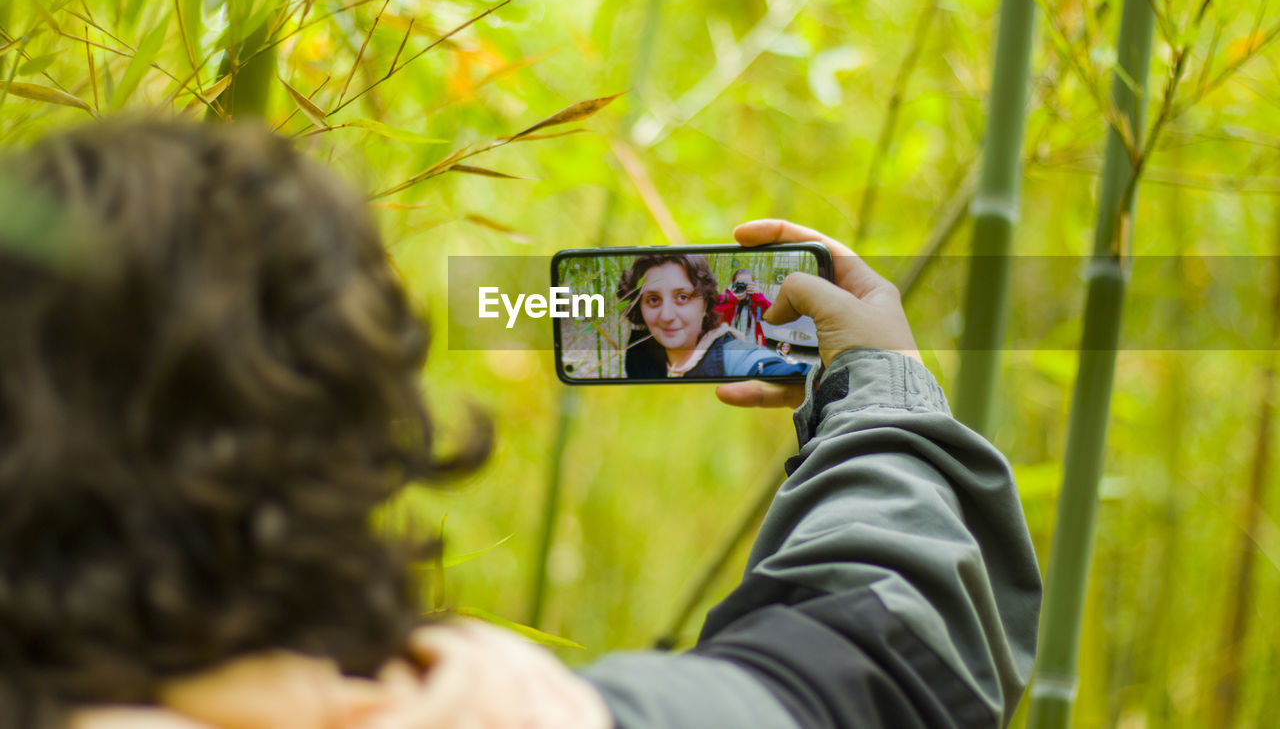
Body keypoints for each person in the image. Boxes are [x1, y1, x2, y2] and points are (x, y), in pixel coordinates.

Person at [1, 121, 1039, 728]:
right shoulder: (480, 708)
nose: (671, 314)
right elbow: (876, 656)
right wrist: (876, 383)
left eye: (687, 300)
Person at [615, 254, 809, 379]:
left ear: (706, 304)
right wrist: (733, 297)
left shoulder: (730, 356)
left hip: (746, 341)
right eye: (653, 300)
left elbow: (768, 319)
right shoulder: (639, 353)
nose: (666, 316)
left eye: (683, 297)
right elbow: (722, 310)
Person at [713, 268, 772, 346]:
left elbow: (770, 313)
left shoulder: (755, 301)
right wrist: (732, 299)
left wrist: (758, 297)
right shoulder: (725, 298)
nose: (743, 287)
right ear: (732, 284)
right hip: (730, 346)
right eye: (739, 284)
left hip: (752, 345)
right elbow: (715, 315)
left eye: (746, 285)